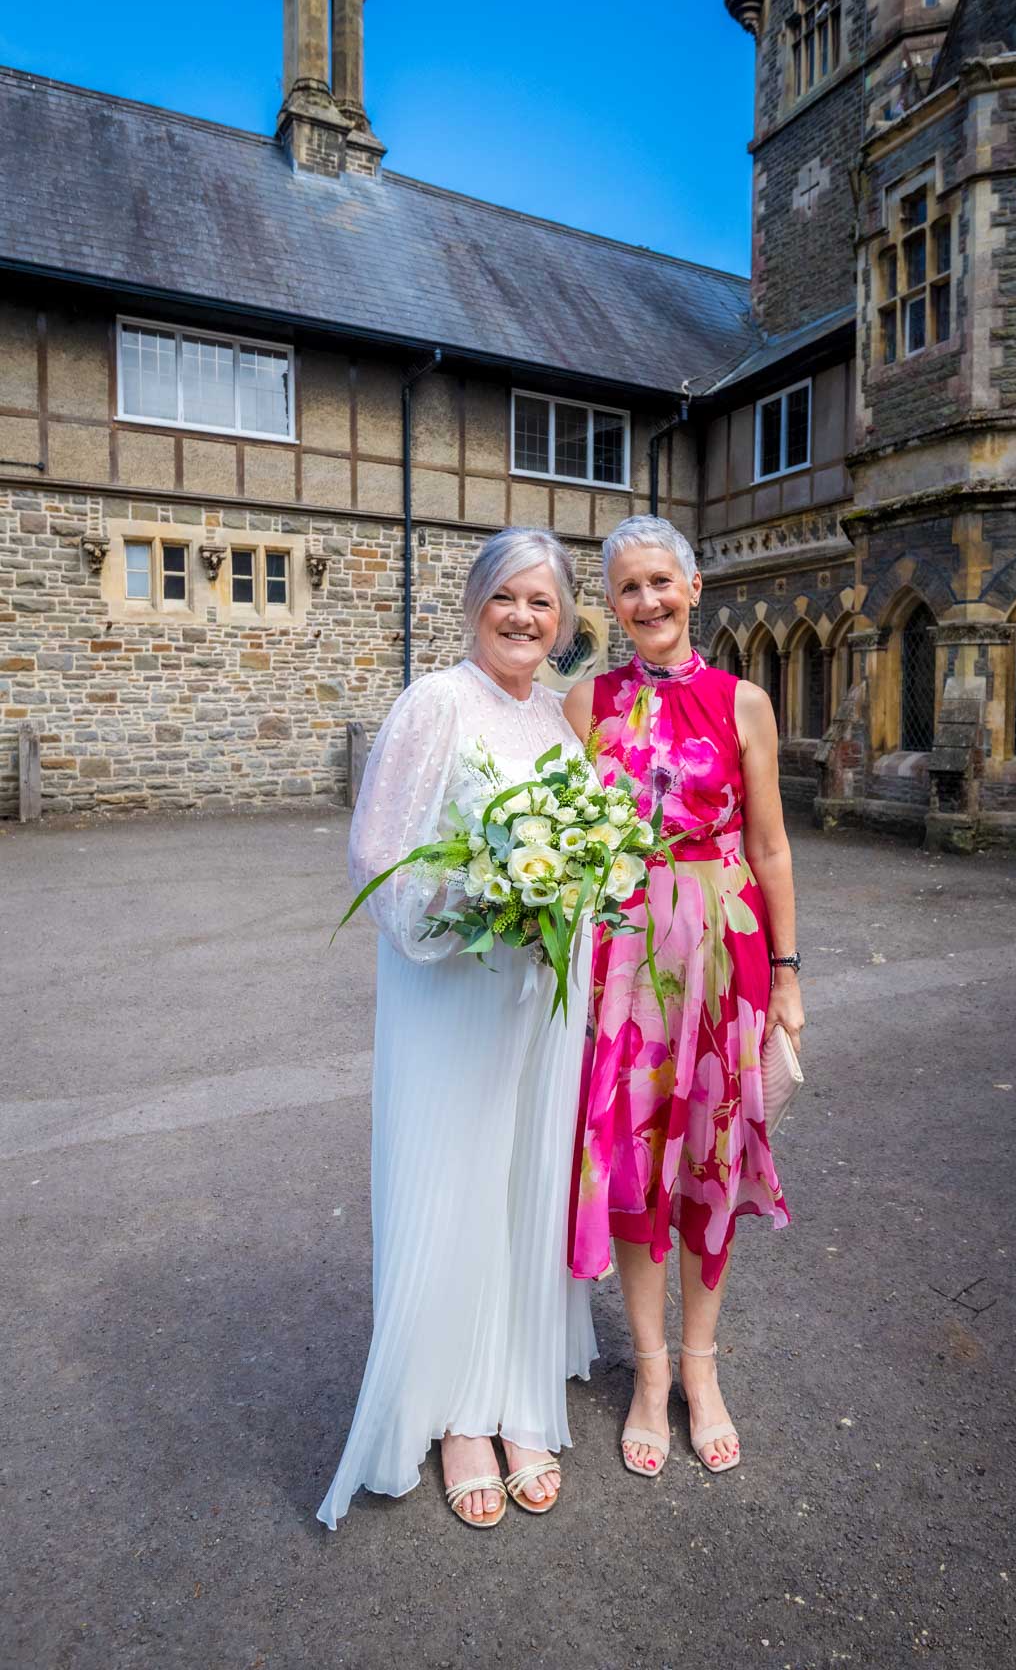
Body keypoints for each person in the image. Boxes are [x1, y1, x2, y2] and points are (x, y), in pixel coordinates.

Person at [318, 528, 596, 1531]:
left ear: (564, 619)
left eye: (543, 602)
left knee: (521, 1189)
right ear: (477, 602)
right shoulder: (435, 703)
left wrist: (567, 898)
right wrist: (487, 899)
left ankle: (516, 1393)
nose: (524, 617)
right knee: (456, 1180)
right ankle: (453, 1416)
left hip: (537, 1003)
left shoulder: (561, 729)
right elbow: (379, 853)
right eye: (507, 598)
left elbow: (587, 854)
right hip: (453, 992)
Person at [564, 515, 804, 1477]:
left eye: (661, 581)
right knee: (632, 1166)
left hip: (723, 953)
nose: (647, 601)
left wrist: (788, 973)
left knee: (709, 1158)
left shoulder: (744, 702)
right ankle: (650, 1372)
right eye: (628, 587)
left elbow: (771, 847)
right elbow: (564, 841)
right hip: (621, 962)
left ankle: (701, 1372)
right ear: (612, 604)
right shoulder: (587, 702)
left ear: (695, 587)